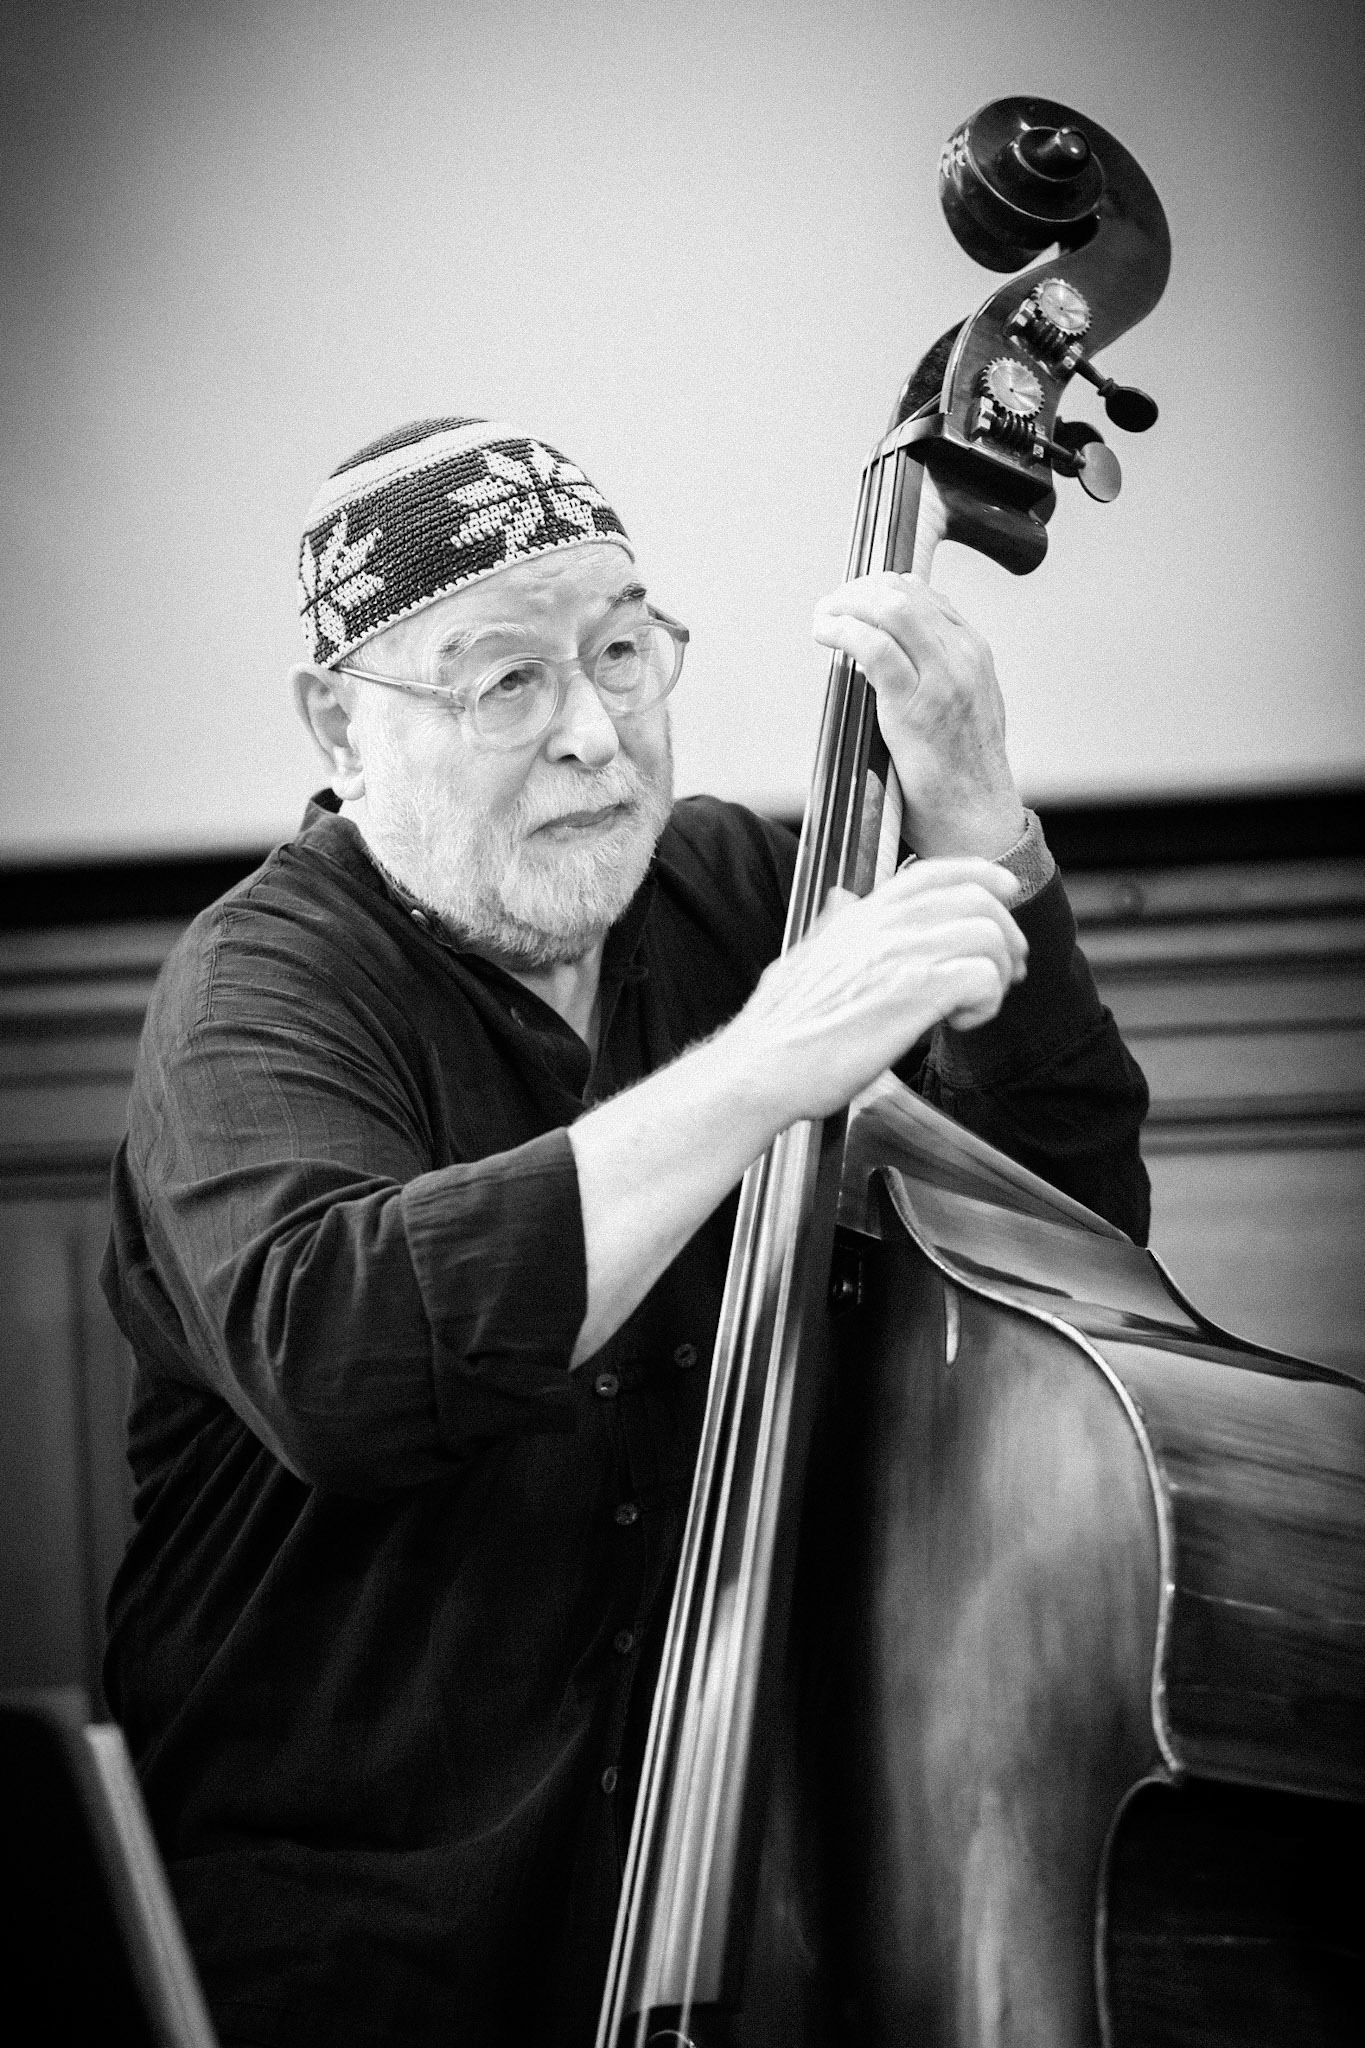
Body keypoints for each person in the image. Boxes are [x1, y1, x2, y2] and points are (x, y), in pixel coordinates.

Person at [101, 416, 1149, 2048]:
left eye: (619, 652)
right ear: (343, 725)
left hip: (760, 1925)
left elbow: (1065, 1235)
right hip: (353, 1959)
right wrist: (762, 1070)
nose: (595, 735)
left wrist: (978, 828)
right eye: (503, 679)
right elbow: (346, 1358)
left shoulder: (746, 894)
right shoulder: (262, 988)